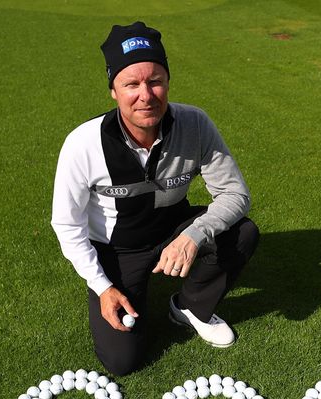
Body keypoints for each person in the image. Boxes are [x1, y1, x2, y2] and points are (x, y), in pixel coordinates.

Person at [51, 21, 259, 376]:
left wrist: (192, 236)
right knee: (122, 360)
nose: (145, 95)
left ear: (167, 82)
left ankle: (190, 306)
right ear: (114, 91)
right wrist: (102, 287)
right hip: (117, 249)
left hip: (171, 231)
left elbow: (234, 194)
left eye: (155, 81)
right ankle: (130, 288)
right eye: (131, 84)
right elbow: (67, 225)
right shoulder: (82, 144)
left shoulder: (195, 123)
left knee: (242, 233)